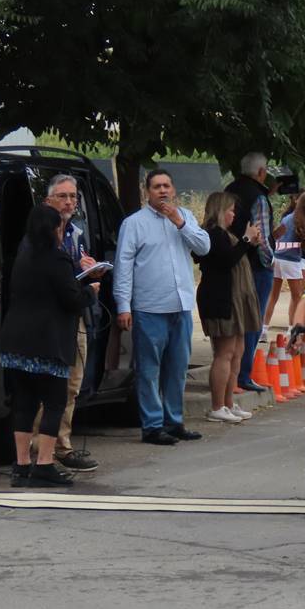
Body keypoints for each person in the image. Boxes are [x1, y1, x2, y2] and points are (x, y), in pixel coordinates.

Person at [0, 204, 99, 486]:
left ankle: (20, 467)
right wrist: (90, 291)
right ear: (56, 229)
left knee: (24, 403)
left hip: (16, 342)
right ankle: (44, 464)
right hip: (48, 344)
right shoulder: (57, 258)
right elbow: (72, 300)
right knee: (55, 402)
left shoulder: (23, 255)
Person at [115, 169, 210, 445]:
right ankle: (152, 425)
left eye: (167, 186)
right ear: (147, 192)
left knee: (178, 367)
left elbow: (204, 247)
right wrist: (124, 305)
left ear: (174, 190)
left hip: (180, 305)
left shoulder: (185, 218)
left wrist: (179, 221)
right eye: (156, 187)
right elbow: (123, 268)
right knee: (149, 369)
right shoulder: (134, 224)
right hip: (149, 307)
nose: (162, 191)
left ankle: (174, 421)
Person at [38, 174, 106, 473]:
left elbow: (73, 269)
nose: (68, 202)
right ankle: (41, 450)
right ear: (48, 201)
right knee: (48, 386)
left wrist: (89, 270)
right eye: (62, 196)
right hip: (49, 319)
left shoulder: (76, 233)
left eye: (72, 197)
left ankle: (62, 446)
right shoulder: (40, 235)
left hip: (75, 315)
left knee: (72, 384)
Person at [195, 192, 262, 424]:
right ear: (220, 210)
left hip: (235, 300)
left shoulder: (226, 234)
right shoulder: (212, 234)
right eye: (231, 210)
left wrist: (251, 244)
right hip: (221, 299)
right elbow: (225, 261)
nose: (234, 214)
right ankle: (217, 405)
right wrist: (245, 240)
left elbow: (238, 257)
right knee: (224, 352)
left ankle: (229, 402)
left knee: (237, 351)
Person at [226, 153, 275, 391]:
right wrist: (269, 261)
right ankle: (243, 375)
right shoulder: (259, 198)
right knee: (252, 320)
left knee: (235, 321)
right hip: (255, 266)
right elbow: (261, 236)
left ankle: (232, 375)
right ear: (261, 172)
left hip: (231, 260)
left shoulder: (230, 189)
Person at [265, 191, 305, 335]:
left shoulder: (287, 218)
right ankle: (293, 329)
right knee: (297, 296)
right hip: (292, 261)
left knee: (273, 296)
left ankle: (263, 329)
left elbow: (276, 236)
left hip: (277, 258)